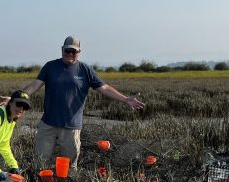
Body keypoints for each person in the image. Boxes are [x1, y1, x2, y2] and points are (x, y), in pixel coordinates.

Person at [23, 35, 144, 171]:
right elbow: (35, 85)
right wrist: (18, 97)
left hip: (71, 127)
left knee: (69, 167)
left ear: (79, 52)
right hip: (48, 124)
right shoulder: (50, 66)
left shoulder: (85, 70)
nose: (70, 54)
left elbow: (104, 88)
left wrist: (126, 99)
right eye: (67, 50)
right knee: (40, 162)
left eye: (73, 51)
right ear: (62, 50)